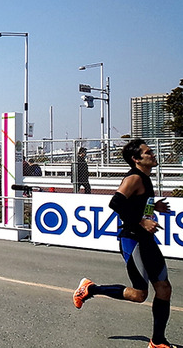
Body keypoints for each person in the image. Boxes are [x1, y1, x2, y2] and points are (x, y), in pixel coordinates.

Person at [73, 139, 175, 348]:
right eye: (147, 153)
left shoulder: (146, 178)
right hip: (132, 239)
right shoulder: (135, 178)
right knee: (140, 294)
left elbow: (136, 203)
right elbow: (116, 202)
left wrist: (153, 206)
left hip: (146, 240)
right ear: (136, 159)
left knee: (164, 289)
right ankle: (90, 289)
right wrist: (140, 220)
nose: (153, 154)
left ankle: (157, 341)